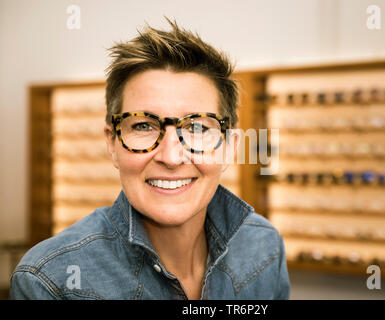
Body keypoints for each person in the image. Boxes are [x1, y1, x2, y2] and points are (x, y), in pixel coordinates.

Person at [9, 19, 290, 300]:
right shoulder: (49, 282)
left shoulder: (264, 247)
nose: (170, 156)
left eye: (196, 128)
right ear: (112, 143)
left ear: (229, 148)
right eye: (143, 126)